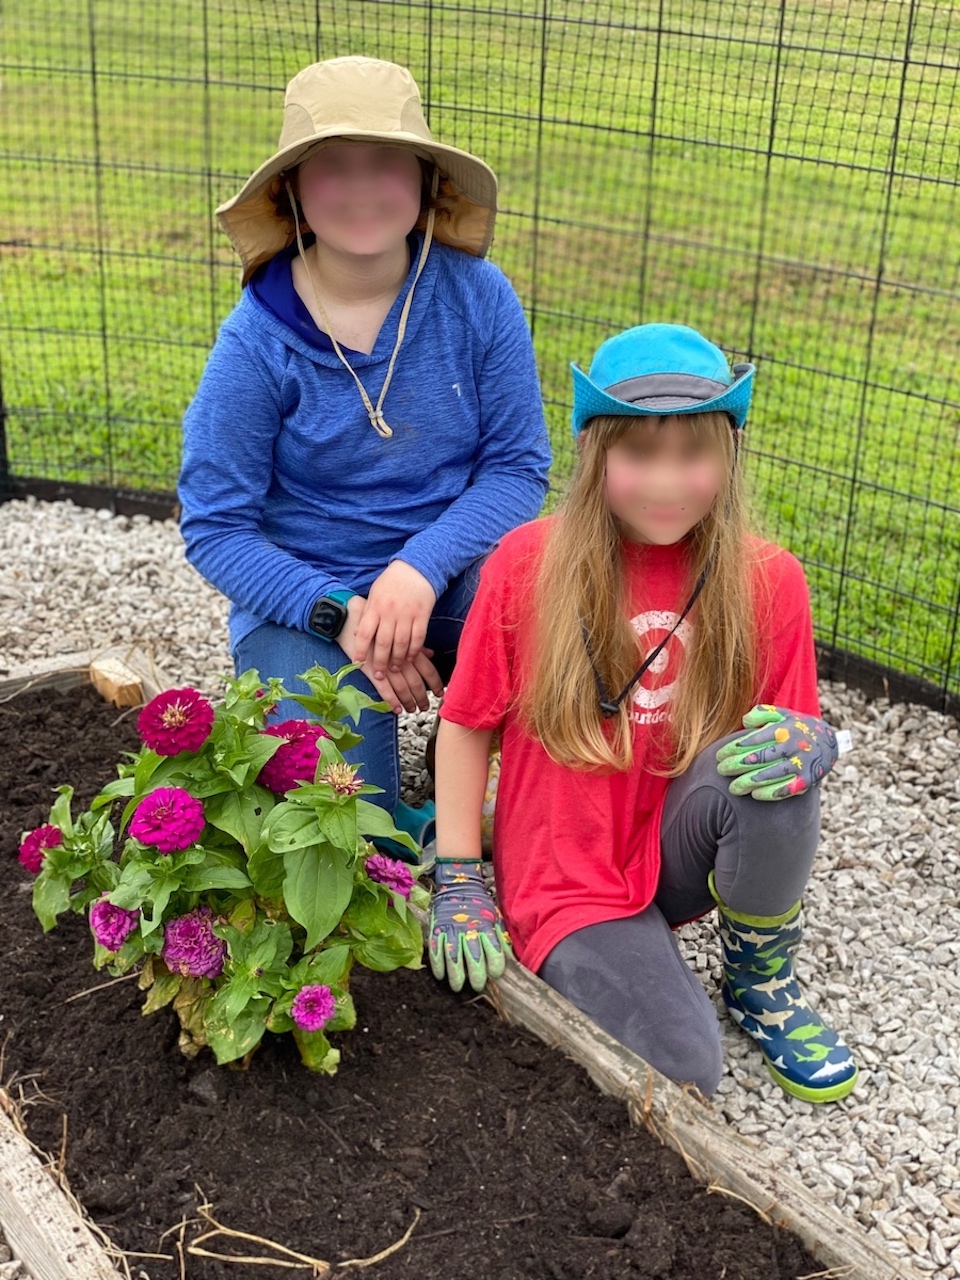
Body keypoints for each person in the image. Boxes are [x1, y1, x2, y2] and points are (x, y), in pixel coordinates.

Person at [426, 323, 858, 1104]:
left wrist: (817, 742)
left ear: (729, 456)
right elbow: (466, 723)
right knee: (687, 1069)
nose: (668, 482)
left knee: (773, 770)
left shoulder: (770, 579)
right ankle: (609, 946)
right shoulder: (527, 564)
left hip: (675, 848)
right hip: (568, 872)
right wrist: (460, 877)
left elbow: (786, 731)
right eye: (639, 454)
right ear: (595, 456)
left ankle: (761, 980)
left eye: (693, 454)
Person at [178, 56, 551, 842]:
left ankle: (523, 793)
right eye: (332, 168)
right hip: (309, 606)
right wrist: (343, 613)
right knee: (352, 832)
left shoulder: (479, 296)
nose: (361, 189)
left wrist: (417, 570)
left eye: (386, 163)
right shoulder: (256, 343)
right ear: (292, 192)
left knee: (551, 597)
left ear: (424, 180)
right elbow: (215, 525)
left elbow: (518, 468)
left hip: (448, 579)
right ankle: (405, 808)